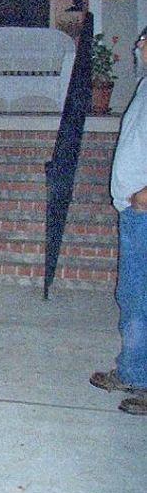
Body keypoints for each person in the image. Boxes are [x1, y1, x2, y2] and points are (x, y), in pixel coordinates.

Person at [91, 25, 147, 415]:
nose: (138, 44)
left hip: (143, 210)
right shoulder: (145, 86)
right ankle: (133, 371)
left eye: (144, 39)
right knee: (132, 297)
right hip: (134, 212)